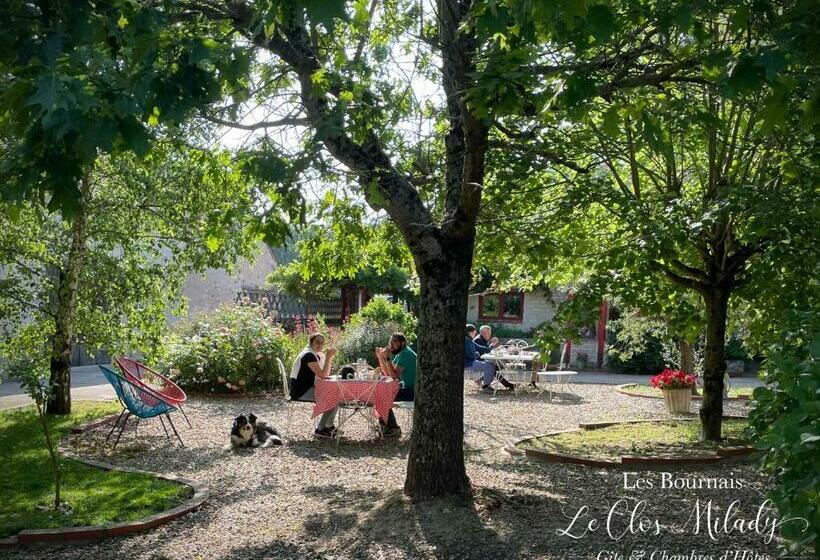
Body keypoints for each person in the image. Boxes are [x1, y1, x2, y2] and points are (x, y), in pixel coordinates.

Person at [289, 333, 339, 439]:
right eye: (317, 342)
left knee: (335, 395)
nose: (320, 345)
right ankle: (321, 429)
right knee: (333, 397)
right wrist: (328, 357)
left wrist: (329, 359)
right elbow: (322, 374)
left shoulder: (313, 354)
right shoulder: (308, 355)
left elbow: (325, 375)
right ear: (311, 342)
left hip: (305, 388)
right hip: (300, 391)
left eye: (322, 343)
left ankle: (328, 427)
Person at [374, 332, 415, 439]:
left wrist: (387, 358)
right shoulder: (401, 353)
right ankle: (386, 426)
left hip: (413, 390)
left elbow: (394, 377)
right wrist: (380, 357)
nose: (391, 344)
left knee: (381, 395)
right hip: (406, 388)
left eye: (395, 342)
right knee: (380, 393)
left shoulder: (406, 354)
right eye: (390, 342)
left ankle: (392, 428)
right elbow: (387, 374)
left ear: (402, 343)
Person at [466, 324, 515, 392]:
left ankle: (486, 384)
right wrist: (477, 354)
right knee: (489, 366)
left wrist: (491, 348)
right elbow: (471, 354)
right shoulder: (468, 340)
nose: (475, 334)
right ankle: (486, 386)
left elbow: (481, 348)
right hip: (468, 362)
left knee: (492, 365)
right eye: (474, 332)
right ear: (470, 332)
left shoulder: (469, 340)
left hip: (473, 360)